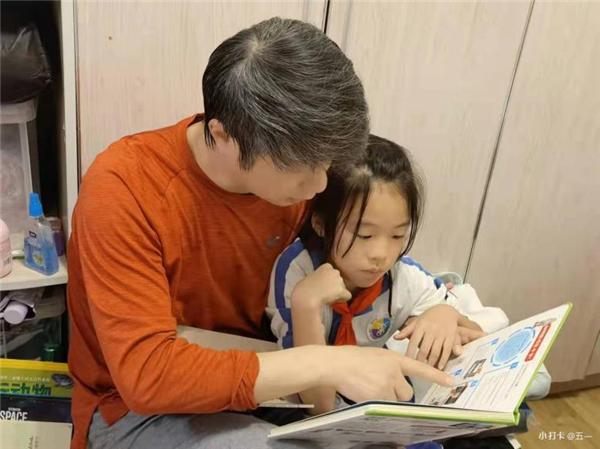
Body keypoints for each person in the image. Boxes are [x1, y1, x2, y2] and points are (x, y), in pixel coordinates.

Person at [67, 18, 453, 449]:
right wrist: (324, 363)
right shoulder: (125, 189)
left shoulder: (304, 177)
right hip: (137, 409)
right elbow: (148, 376)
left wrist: (442, 311)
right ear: (223, 136)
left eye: (327, 163)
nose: (321, 185)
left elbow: (376, 255)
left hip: (274, 385)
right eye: (302, 167)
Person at [267, 135, 486, 416]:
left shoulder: (402, 276)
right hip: (304, 404)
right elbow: (317, 404)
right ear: (322, 224)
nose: (381, 255)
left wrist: (445, 314)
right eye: (364, 235)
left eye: (397, 235)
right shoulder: (297, 272)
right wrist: (306, 305)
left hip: (374, 407)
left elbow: (476, 337)